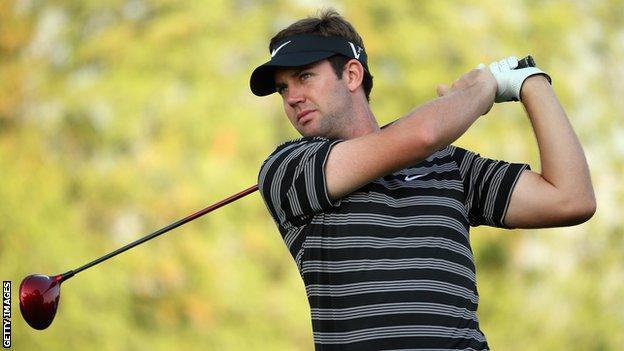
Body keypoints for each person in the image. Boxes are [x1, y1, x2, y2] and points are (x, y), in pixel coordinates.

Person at [249, 9, 595, 350]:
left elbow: (571, 199)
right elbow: (424, 134)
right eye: (283, 88)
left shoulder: (448, 165)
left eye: (305, 77)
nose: (292, 98)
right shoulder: (288, 168)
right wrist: (483, 88)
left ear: (352, 75)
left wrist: (529, 81)